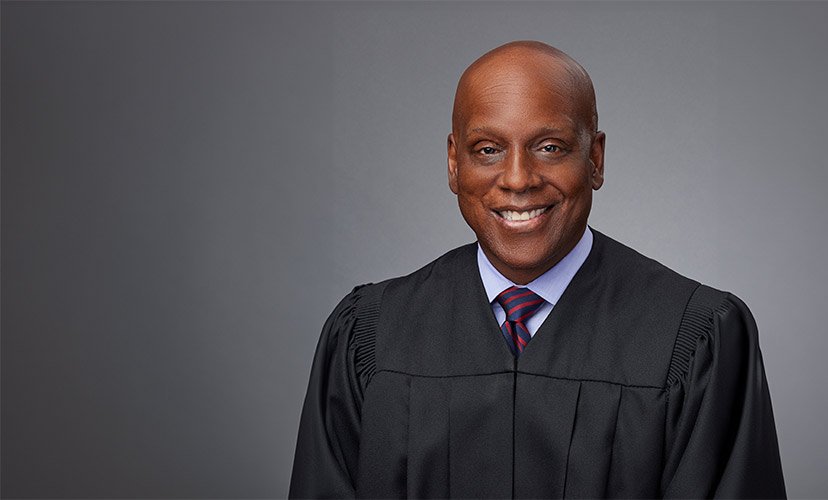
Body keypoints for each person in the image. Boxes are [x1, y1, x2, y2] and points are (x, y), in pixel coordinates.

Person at [289, 40, 786, 499]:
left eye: (549, 147)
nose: (518, 179)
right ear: (453, 164)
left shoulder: (694, 336)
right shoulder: (371, 335)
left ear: (595, 158)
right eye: (488, 149)